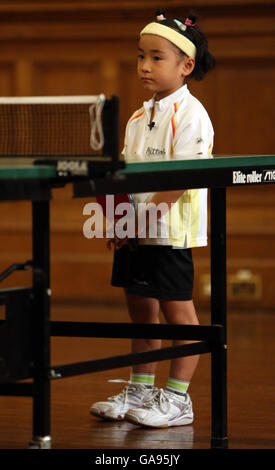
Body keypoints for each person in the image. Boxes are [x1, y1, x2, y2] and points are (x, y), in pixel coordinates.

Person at [90, 9, 215, 428]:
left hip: (170, 235)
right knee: (140, 309)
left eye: (156, 57)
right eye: (141, 56)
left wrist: (138, 222)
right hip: (137, 232)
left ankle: (178, 400)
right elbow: (123, 176)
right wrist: (119, 220)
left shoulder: (192, 114)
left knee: (179, 314)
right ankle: (141, 388)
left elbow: (182, 180)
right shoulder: (137, 118)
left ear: (186, 65)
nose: (145, 65)